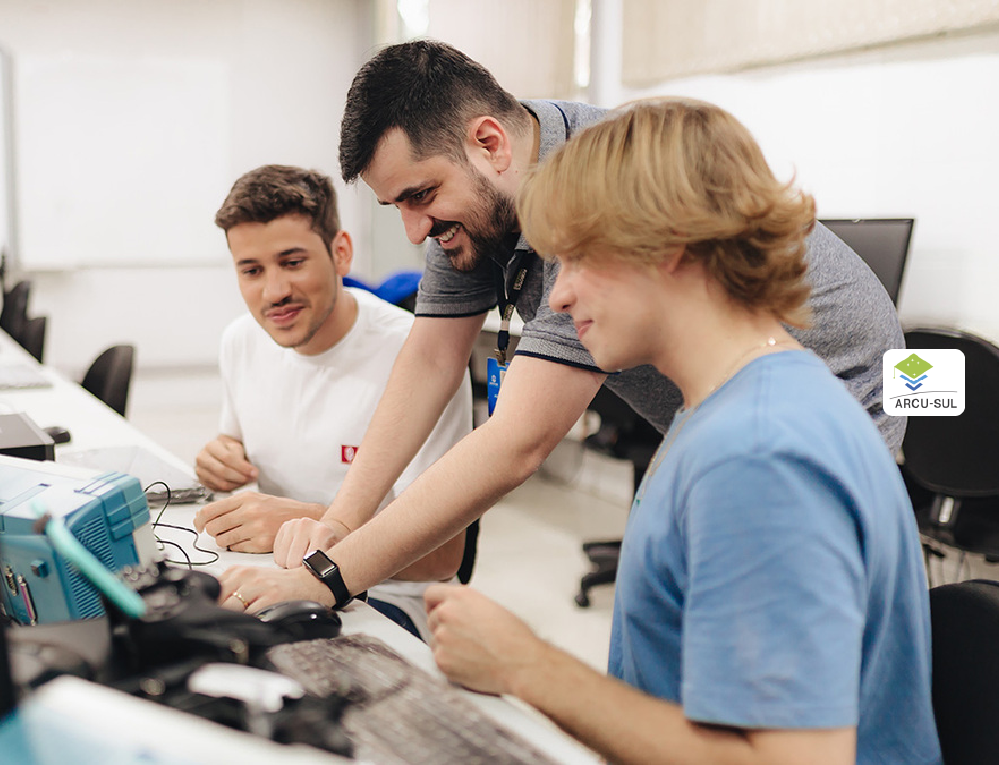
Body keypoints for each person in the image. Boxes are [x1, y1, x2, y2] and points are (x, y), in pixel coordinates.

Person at [217, 40, 903, 619]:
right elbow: (431, 358)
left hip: (836, 394)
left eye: (420, 197)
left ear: (489, 142)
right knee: (674, 611)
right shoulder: (474, 206)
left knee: (755, 612)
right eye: (397, 204)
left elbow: (518, 439)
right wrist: (337, 525)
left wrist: (327, 576)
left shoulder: (601, 201)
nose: (414, 229)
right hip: (706, 417)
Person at [423, 97, 939, 764]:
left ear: (671, 246)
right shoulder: (725, 408)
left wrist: (528, 666)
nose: (557, 296)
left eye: (578, 259)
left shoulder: (760, 452)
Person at [194, 164, 473, 637]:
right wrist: (220, 456)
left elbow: (444, 557)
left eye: (293, 262)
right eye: (252, 270)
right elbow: (237, 442)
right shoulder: (240, 340)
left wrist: (313, 525)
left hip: (385, 598)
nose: (275, 291)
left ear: (340, 252)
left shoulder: (421, 356)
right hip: (273, 573)